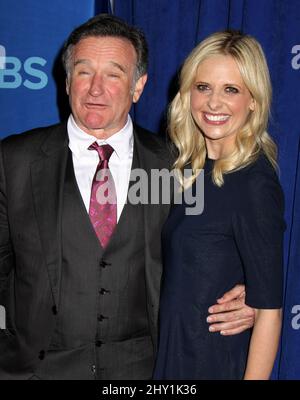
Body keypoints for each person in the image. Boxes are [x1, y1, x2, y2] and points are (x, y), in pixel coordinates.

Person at [0, 15, 254, 380]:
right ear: (68, 80)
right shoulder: (14, 160)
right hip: (36, 370)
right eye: (85, 72)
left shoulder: (180, 165)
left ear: (138, 87)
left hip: (145, 371)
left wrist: (249, 296)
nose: (96, 89)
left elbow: (214, 253)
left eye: (114, 75)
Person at [153, 30, 285, 380]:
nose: (213, 103)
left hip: (212, 362)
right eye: (203, 87)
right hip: (171, 355)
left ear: (253, 100)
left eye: (231, 90)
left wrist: (255, 302)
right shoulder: (184, 169)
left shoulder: (254, 182)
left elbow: (270, 312)